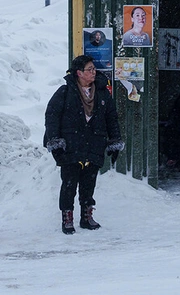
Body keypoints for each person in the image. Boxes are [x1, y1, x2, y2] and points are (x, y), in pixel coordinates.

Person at [44, 55, 124, 234]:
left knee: (89, 183)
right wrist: (55, 140)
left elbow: (111, 118)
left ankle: (87, 217)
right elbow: (52, 117)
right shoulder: (65, 92)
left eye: (94, 69)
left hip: (94, 143)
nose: (93, 72)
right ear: (79, 73)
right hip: (72, 144)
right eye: (89, 69)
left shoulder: (103, 93)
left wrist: (115, 140)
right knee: (69, 184)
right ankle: (67, 218)